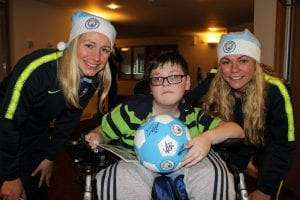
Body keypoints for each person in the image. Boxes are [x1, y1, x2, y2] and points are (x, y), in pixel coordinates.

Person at [86, 52, 244, 199]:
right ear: (150, 86)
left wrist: (207, 138)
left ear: (187, 82)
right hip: (137, 164)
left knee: (213, 170)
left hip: (187, 164)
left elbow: (237, 130)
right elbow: (104, 131)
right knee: (117, 174)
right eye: (158, 79)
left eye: (174, 77)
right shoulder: (130, 112)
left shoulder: (194, 116)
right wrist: (97, 136)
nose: (166, 84)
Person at [0, 11, 116, 200]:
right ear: (73, 44)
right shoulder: (38, 68)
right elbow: (8, 123)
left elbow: (68, 121)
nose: (96, 57)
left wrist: (50, 156)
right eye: (89, 45)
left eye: (104, 49)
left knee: (37, 190)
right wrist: (10, 176)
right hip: (5, 133)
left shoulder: (92, 78)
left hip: (36, 135)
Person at [185, 29, 297, 200]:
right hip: (235, 143)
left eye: (243, 60)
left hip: (267, 145)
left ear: (255, 63)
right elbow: (185, 102)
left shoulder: (275, 90)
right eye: (226, 62)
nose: (234, 70)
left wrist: (265, 189)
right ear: (220, 65)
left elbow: (283, 144)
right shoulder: (215, 79)